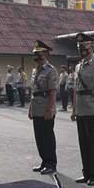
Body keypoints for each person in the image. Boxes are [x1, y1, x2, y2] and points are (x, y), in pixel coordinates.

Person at [71, 33, 94, 186]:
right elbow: (75, 90)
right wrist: (74, 110)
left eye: (84, 46)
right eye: (80, 46)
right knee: (83, 143)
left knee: (93, 143)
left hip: (92, 109)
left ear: (92, 46)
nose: (81, 49)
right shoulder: (79, 66)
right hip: (81, 109)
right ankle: (86, 173)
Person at [28, 40, 58, 175]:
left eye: (39, 53)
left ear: (45, 54)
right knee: (39, 137)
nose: (37, 56)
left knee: (47, 137)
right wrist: (30, 108)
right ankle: (44, 162)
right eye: (35, 54)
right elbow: (33, 91)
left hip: (46, 107)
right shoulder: (35, 70)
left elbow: (52, 92)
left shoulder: (51, 70)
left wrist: (50, 109)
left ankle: (51, 163)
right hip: (36, 107)